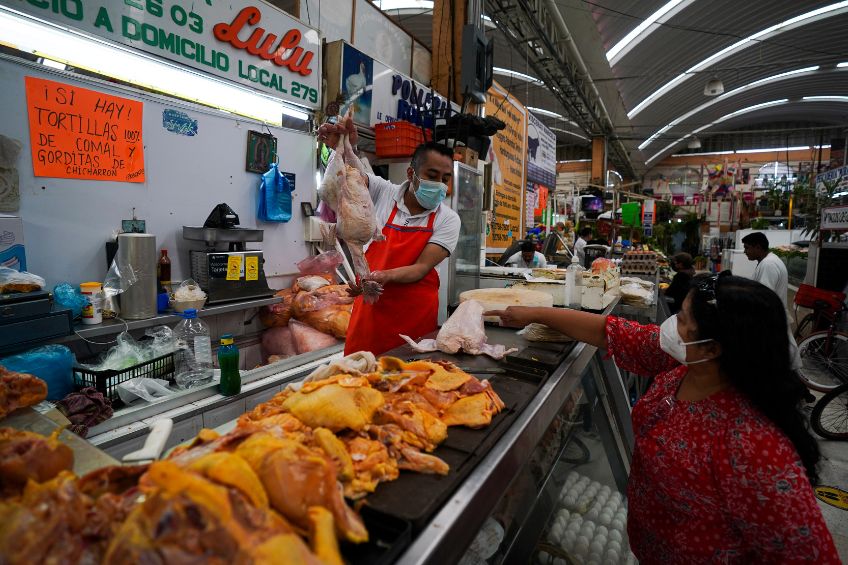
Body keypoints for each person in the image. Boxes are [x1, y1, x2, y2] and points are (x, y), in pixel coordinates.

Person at [486, 273, 839, 564]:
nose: (671, 325)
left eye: (682, 320)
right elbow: (609, 332)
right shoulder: (685, 363)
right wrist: (535, 313)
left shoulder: (754, 446)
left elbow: (808, 555)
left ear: (714, 347)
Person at [317, 119, 460, 356]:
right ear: (411, 173)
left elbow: (421, 268)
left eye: (444, 179)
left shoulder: (448, 219)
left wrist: (382, 276)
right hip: (371, 310)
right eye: (431, 175)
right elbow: (353, 175)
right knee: (358, 377)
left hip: (414, 316)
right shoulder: (384, 192)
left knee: (406, 382)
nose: (439, 184)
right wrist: (343, 145)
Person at [742, 231, 803, 372]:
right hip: (772, 315)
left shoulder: (768, 264)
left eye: (747, 248)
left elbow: (763, 294)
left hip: (769, 317)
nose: (745, 252)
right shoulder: (768, 261)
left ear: (758, 247)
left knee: (777, 355)